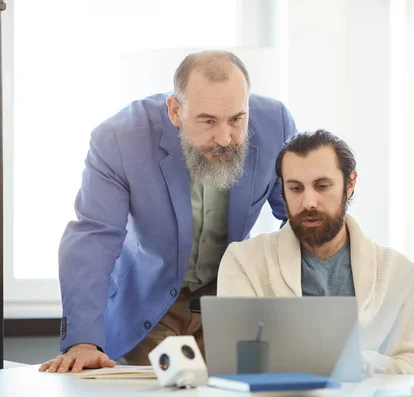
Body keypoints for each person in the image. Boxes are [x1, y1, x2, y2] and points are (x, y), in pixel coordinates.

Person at [39, 50, 297, 373]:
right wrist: (83, 341)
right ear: (175, 111)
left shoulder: (277, 124)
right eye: (207, 121)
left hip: (228, 300)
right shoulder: (119, 139)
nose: (225, 138)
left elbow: (300, 219)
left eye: (236, 119)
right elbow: (93, 239)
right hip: (149, 305)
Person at [217, 129, 414, 375]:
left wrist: (369, 366)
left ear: (350, 184)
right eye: (296, 188)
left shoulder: (399, 273)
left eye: (322, 186)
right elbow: (235, 361)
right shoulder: (245, 261)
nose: (309, 202)